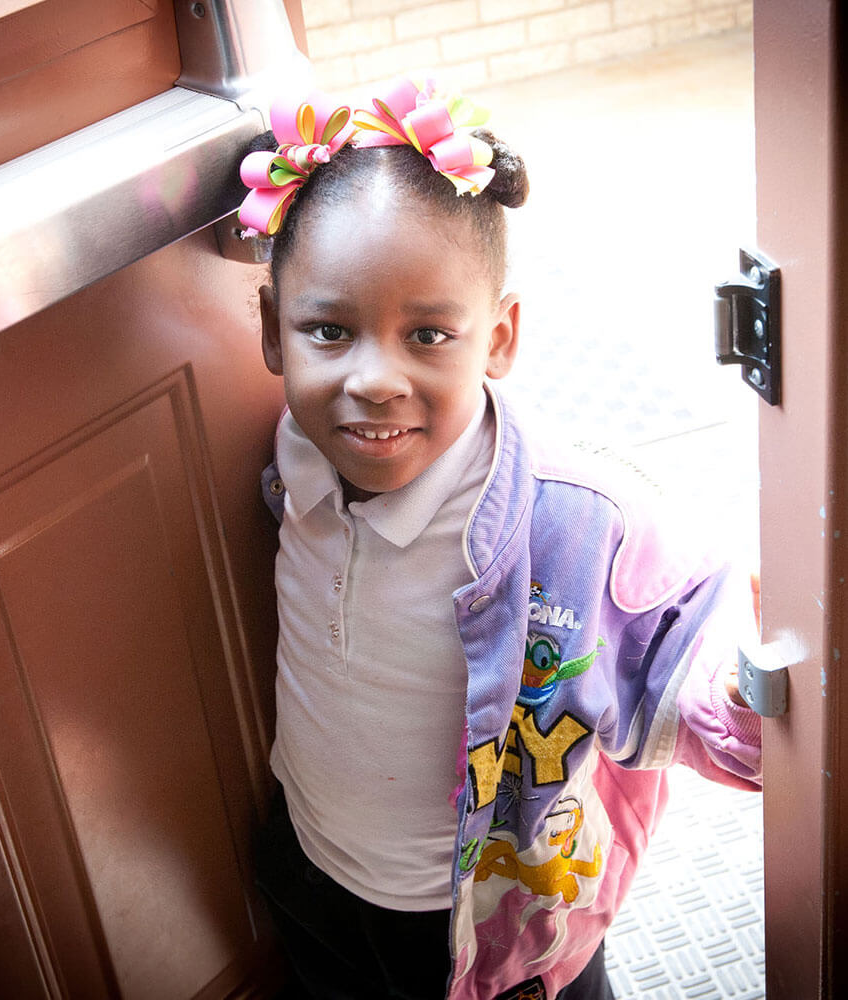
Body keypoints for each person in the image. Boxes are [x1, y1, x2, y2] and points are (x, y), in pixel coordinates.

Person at [240, 77, 762, 1000]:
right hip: (311, 861)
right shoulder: (299, 451)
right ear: (274, 335)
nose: (373, 380)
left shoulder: (568, 524)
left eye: (428, 334)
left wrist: (754, 687)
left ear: (500, 337)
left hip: (485, 924)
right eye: (329, 330)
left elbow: (696, 649)